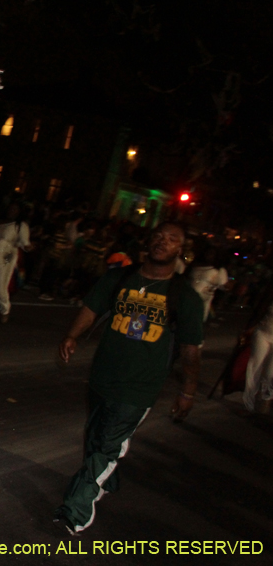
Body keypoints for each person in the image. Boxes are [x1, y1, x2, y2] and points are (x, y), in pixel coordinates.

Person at [53, 221, 204, 535]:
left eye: (172, 239)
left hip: (140, 385)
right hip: (103, 375)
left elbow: (190, 350)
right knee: (95, 437)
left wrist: (188, 391)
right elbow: (91, 308)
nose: (162, 242)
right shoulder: (119, 277)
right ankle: (108, 479)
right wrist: (72, 335)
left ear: (181, 250)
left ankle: (76, 511)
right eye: (158, 236)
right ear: (148, 241)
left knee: (107, 446)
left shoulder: (185, 297)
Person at [0, 201, 31, 323]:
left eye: (15, 209)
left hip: (7, 256)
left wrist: (30, 247)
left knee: (0, 285)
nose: (12, 211)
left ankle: (4, 310)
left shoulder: (20, 225)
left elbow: (25, 243)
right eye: (10, 209)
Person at [188, 246, 228, 322]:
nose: (208, 256)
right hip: (187, 296)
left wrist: (212, 288)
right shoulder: (194, 266)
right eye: (207, 253)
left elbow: (223, 285)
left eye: (211, 254)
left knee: (197, 319)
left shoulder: (218, 270)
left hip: (203, 299)